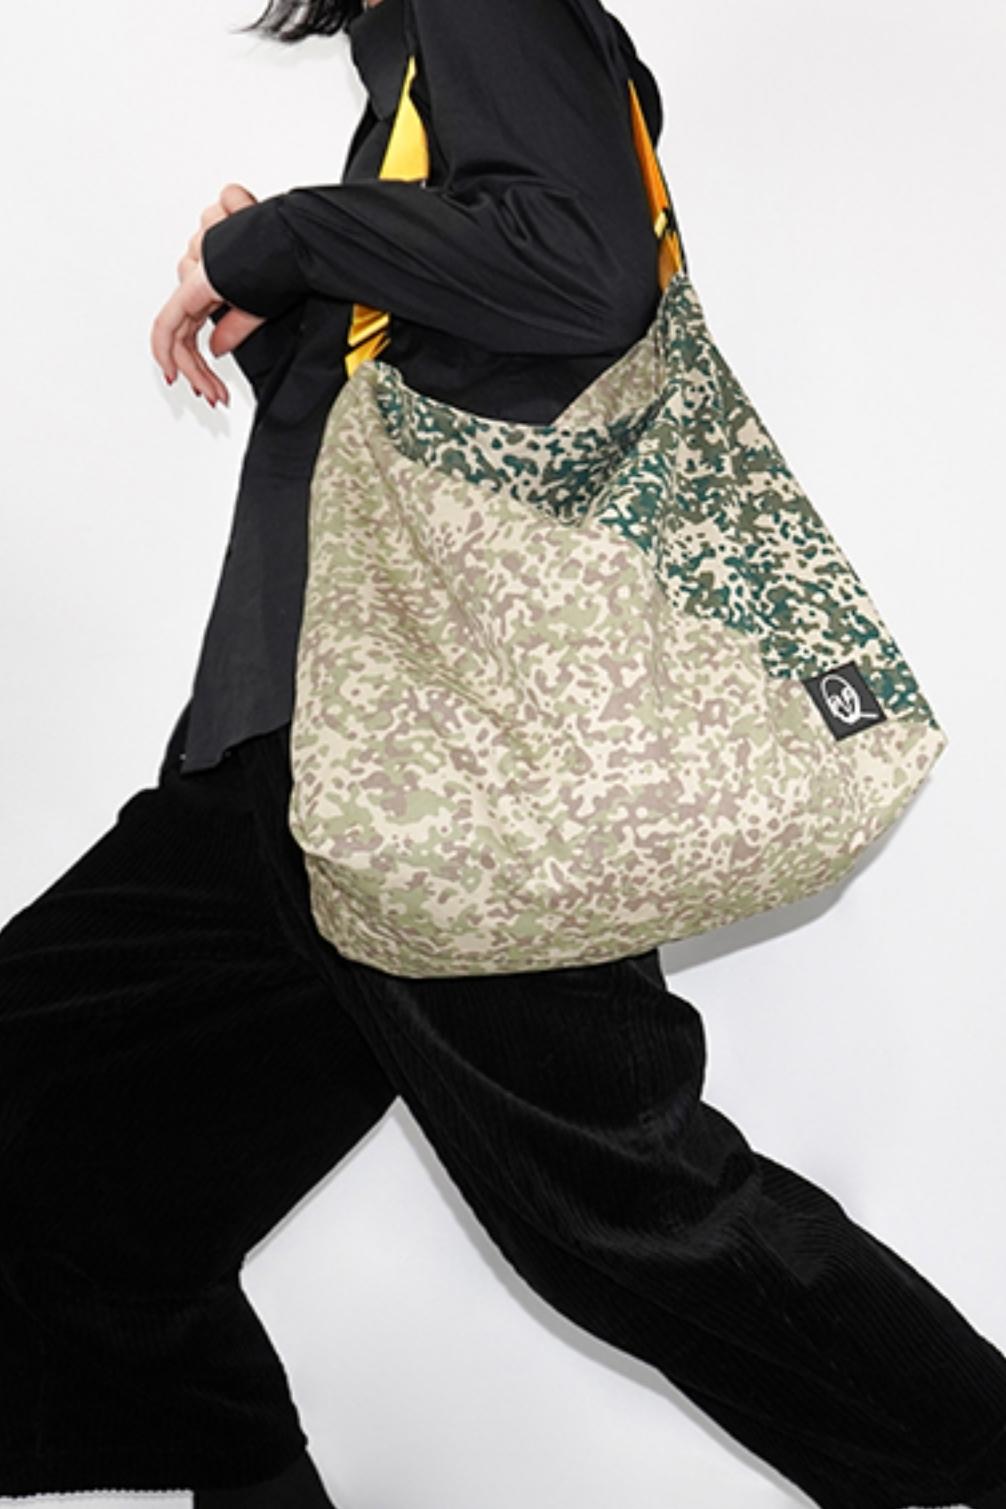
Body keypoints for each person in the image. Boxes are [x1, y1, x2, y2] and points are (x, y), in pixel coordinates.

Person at [1, 2, 1005, 1507]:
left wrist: (279, 238)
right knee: (47, 1123)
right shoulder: (414, 58)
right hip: (285, 764)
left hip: (442, 785)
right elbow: (454, 394)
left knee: (630, 1212)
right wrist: (304, 313)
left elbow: (585, 273)